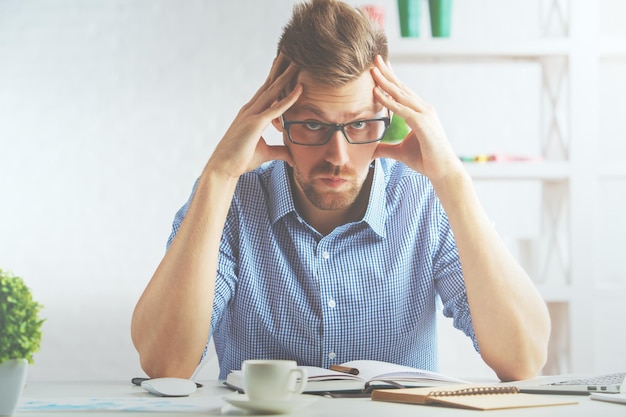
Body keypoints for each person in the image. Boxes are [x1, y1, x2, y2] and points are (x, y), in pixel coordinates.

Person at [131, 0, 550, 382]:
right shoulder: (231, 203)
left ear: (388, 115)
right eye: (313, 124)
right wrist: (219, 174)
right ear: (277, 119)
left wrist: (453, 182)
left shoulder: (424, 201)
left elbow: (523, 358)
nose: (339, 155)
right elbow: (165, 365)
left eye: (359, 125)